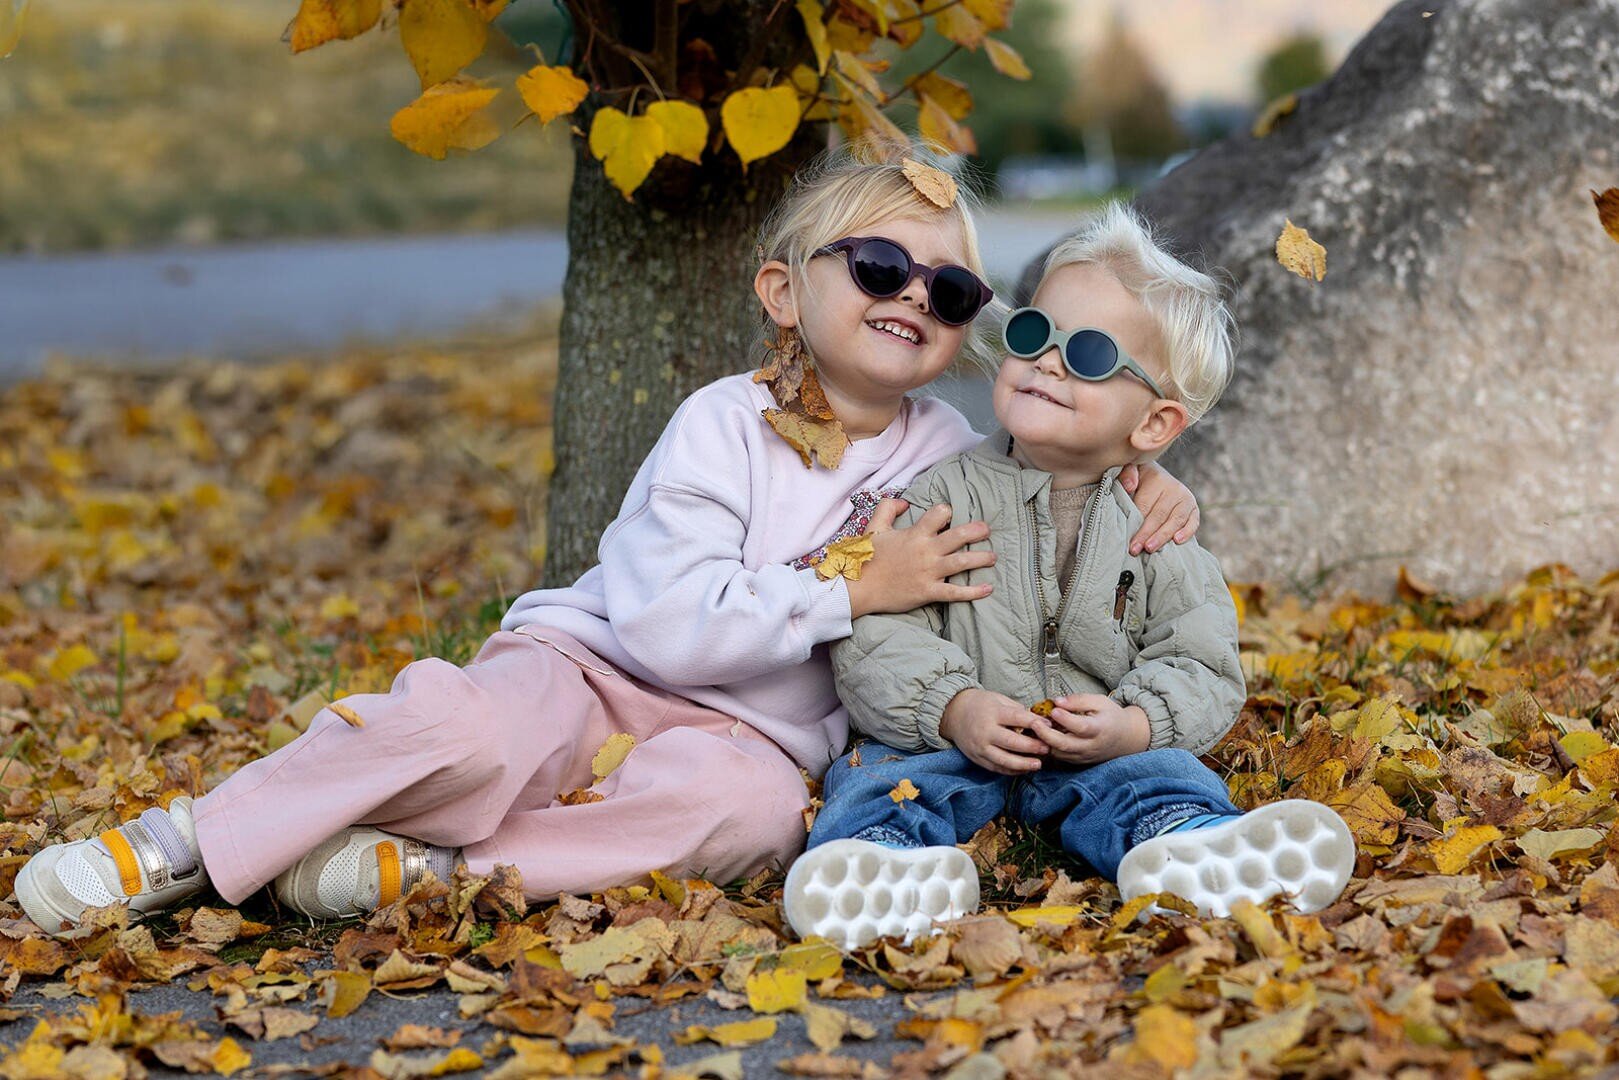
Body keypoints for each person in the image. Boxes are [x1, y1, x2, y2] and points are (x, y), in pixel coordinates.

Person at [13, 151, 1205, 937]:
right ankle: (185, 841)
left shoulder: (948, 443)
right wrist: (849, 588)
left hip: (755, 735)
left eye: (948, 294)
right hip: (593, 669)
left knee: (746, 822)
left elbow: (1056, 469)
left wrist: (1150, 488)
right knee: (461, 732)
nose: (912, 298)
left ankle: (437, 878)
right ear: (785, 294)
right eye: (882, 267)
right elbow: (659, 621)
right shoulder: (722, 424)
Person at [784, 203, 1356, 951]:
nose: (1046, 362)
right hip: (951, 741)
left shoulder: (1156, 530)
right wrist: (952, 706)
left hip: (1096, 747)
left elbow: (1201, 662)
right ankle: (883, 867)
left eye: (1087, 355)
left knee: (1161, 775)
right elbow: (878, 628)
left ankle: (1183, 847)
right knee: (876, 776)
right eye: (1032, 335)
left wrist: (1134, 724)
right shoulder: (937, 494)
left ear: (1152, 426)